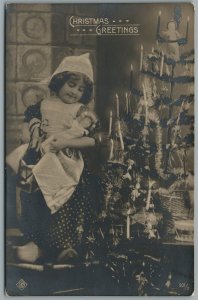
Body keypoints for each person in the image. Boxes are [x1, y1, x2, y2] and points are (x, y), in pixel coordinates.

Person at [15, 53, 104, 263]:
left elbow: (92, 141)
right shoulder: (42, 105)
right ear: (59, 82)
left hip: (66, 161)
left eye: (81, 89)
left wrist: (65, 142)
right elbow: (28, 126)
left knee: (66, 201)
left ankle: (65, 246)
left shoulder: (81, 111)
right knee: (35, 199)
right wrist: (33, 133)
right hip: (41, 157)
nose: (75, 92)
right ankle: (36, 243)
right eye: (71, 85)